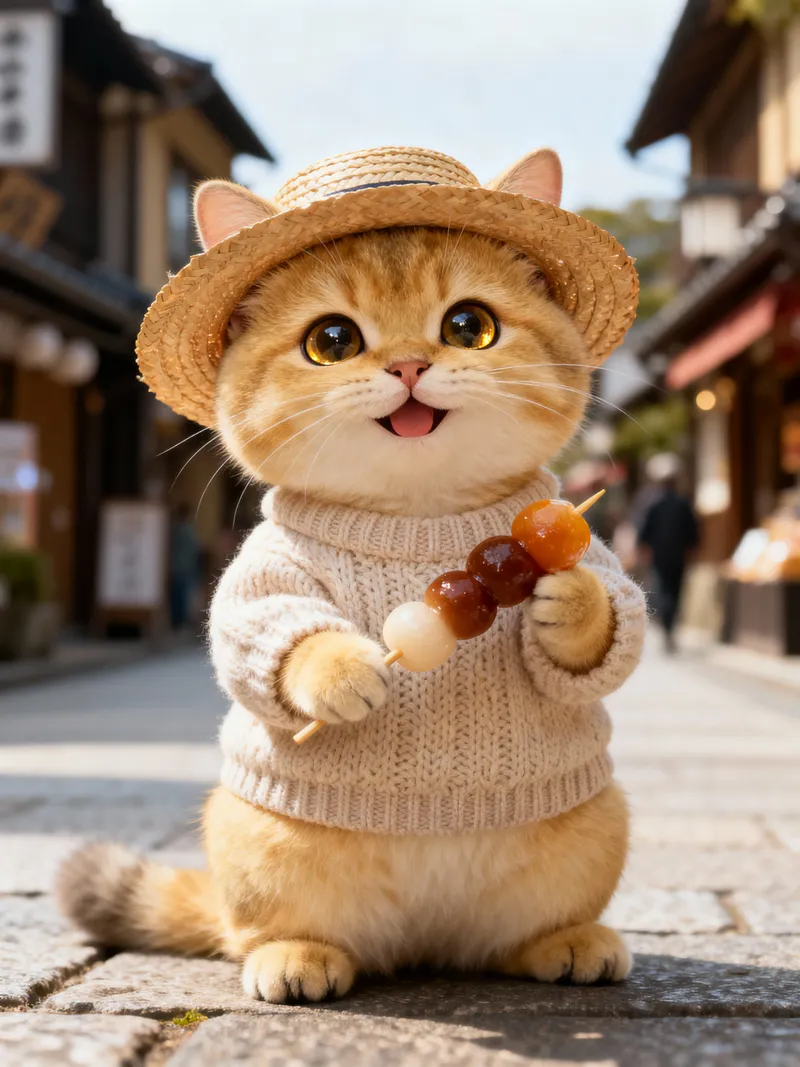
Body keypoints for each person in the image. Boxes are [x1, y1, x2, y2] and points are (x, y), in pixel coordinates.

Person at [637, 454, 699, 654]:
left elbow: (644, 532)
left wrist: (643, 549)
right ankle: (670, 629)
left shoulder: (654, 504)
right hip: (678, 554)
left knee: (663, 589)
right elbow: (693, 531)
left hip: (660, 555)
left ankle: (666, 628)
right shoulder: (682, 503)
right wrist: (692, 549)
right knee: (674, 591)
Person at [169, 503, 200, 630]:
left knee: (176, 594)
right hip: (185, 566)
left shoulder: (173, 529)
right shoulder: (187, 529)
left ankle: (176, 620)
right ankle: (180, 620)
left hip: (175, 565)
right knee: (183, 594)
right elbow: (195, 546)